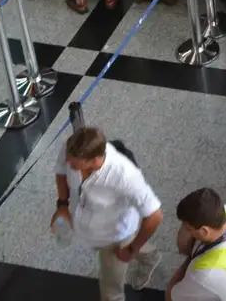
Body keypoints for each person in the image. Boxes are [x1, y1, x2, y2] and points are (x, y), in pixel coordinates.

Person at [53, 126, 164, 301]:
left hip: (115, 236)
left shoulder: (126, 176)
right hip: (90, 225)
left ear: (93, 160)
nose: (67, 162)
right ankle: (150, 255)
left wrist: (130, 249)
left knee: (111, 292)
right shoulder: (71, 148)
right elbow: (60, 171)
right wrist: (62, 205)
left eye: (73, 163)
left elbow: (155, 215)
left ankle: (143, 253)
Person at [168, 187, 226, 301]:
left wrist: (189, 261)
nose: (185, 231)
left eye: (188, 228)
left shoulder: (207, 274)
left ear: (204, 231)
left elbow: (171, 297)